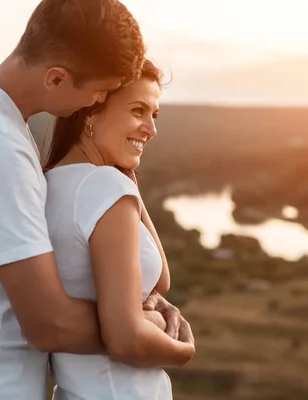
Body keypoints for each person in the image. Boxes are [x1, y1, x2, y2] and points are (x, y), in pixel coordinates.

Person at [0, 0, 194, 399]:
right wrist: (142, 326)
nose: (96, 103)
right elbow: (50, 325)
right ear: (57, 79)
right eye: (100, 91)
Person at [44, 59, 193, 400]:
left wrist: (125, 174)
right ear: (90, 110)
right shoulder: (105, 187)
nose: (150, 129)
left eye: (154, 115)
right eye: (138, 110)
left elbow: (159, 281)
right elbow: (126, 339)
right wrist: (183, 351)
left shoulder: (49, 184)